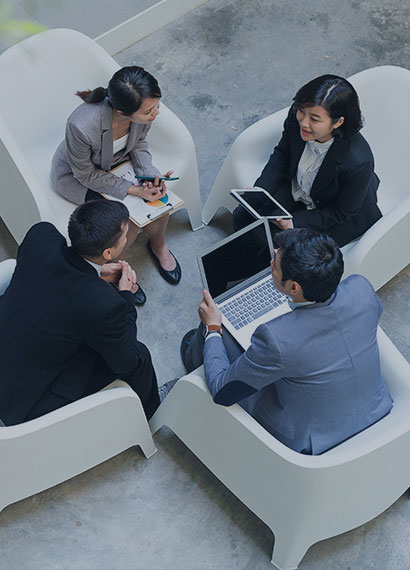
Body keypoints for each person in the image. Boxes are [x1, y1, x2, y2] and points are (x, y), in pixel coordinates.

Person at [181, 228, 393, 455]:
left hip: (310, 438)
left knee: (220, 334)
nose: (272, 256)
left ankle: (194, 355)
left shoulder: (275, 339)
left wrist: (213, 327)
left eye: (275, 262)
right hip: (375, 406)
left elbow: (222, 392)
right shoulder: (361, 289)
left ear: (294, 287)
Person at [0, 200, 175, 427]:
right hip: (21, 399)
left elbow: (60, 278)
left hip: (13, 332)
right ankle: (150, 416)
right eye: (125, 236)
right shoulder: (105, 305)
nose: (127, 238)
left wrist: (96, 275)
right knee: (139, 356)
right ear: (108, 252)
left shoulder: (41, 235)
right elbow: (125, 362)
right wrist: (126, 296)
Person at [51, 66, 181, 305]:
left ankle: (158, 244)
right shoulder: (81, 126)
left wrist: (150, 177)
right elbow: (86, 174)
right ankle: (114, 269)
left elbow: (139, 144)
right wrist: (134, 189)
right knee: (124, 223)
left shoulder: (143, 114)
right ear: (122, 111)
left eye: (157, 106)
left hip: (118, 164)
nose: (156, 114)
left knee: (160, 203)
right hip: (78, 178)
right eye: (149, 111)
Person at [233, 75, 382, 247]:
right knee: (242, 216)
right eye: (302, 111)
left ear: (338, 122)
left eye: (315, 119)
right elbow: (282, 155)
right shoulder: (298, 116)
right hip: (299, 188)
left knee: (275, 241)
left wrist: (293, 223)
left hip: (332, 211)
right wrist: (260, 191)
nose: (304, 122)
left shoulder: (358, 161)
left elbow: (340, 212)